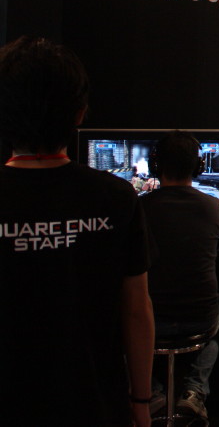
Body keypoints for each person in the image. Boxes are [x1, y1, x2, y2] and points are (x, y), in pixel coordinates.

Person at [0, 36, 154, 426]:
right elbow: (136, 310)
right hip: (94, 402)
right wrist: (141, 401)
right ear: (80, 113)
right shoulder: (116, 197)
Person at [141, 130, 219, 418]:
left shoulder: (138, 208)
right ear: (198, 167)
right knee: (214, 334)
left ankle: (151, 393)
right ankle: (194, 390)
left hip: (151, 320)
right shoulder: (215, 206)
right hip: (201, 319)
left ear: (155, 165)